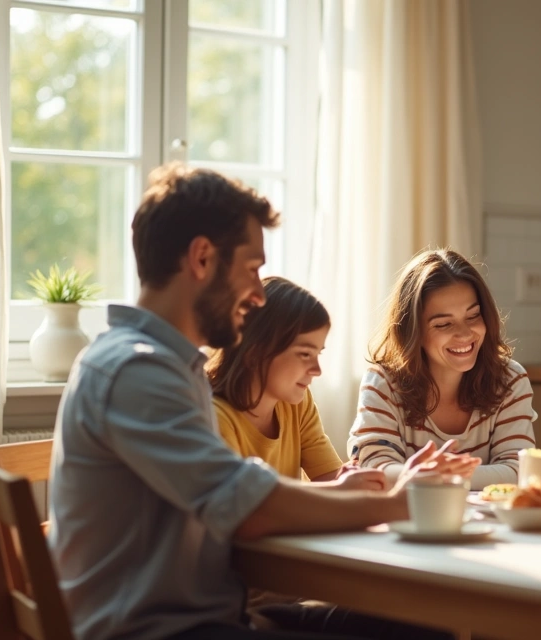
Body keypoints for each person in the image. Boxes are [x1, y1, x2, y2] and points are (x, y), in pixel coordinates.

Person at [48, 163, 451, 640]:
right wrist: (398, 504)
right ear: (202, 258)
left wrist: (350, 494)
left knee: (419, 626)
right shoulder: (138, 371)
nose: (259, 294)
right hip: (159, 632)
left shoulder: (166, 365)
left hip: (212, 619)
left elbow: (238, 492)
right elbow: (247, 506)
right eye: (252, 268)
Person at [348, 249, 537, 488]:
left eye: (473, 316)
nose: (465, 333)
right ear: (413, 332)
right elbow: (373, 468)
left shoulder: (510, 379)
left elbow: (520, 470)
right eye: (444, 324)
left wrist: (435, 474)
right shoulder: (383, 382)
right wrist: (446, 474)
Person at [208, 276, 382, 488]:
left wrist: (397, 477)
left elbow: (331, 479)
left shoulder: (297, 403)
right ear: (255, 354)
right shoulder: (215, 418)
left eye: (318, 354)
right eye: (305, 354)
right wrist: (341, 488)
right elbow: (246, 508)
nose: (317, 370)